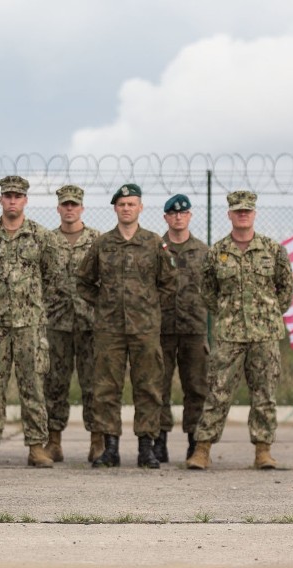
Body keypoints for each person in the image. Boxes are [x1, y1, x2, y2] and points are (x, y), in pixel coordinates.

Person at [186, 191, 293, 471]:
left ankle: (263, 451)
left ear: (254, 213)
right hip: (229, 335)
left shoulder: (272, 250)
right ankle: (202, 450)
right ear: (230, 215)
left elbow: (286, 289)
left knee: (264, 394)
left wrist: (267, 313)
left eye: (247, 210)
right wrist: (227, 314)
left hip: (265, 335)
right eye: (237, 210)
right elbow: (207, 291)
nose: (243, 214)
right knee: (217, 392)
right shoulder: (217, 252)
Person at [0, 175, 66, 468]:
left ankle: (36, 446)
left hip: (29, 324)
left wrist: (33, 304)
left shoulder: (41, 237)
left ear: (25, 200)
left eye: (18, 196)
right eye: (8, 196)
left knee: (32, 385)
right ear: (0, 199)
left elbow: (54, 278)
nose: (12, 201)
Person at [76, 183, 177, 468]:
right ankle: (110, 449)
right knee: (106, 388)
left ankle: (147, 448)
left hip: (145, 329)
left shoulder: (154, 242)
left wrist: (151, 308)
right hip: (109, 330)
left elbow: (169, 282)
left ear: (140, 207)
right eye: (122, 204)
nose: (127, 208)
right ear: (115, 209)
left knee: (148, 387)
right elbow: (83, 281)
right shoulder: (103, 244)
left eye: (131, 204)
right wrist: (103, 303)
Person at [43, 185, 101, 462]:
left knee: (92, 384)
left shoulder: (96, 240)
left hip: (90, 322)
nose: (69, 209)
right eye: (65, 204)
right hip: (57, 322)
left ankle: (97, 440)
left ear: (81, 208)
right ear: (58, 208)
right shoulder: (47, 239)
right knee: (55, 383)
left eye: (74, 205)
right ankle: (54, 441)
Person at [157, 194, 210, 463]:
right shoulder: (156, 248)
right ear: (165, 217)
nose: (178, 216)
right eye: (173, 213)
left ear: (190, 216)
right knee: (158, 386)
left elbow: (213, 290)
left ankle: (195, 442)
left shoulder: (203, 252)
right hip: (161, 328)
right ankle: (159, 441)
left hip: (194, 329)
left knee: (196, 387)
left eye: (183, 212)